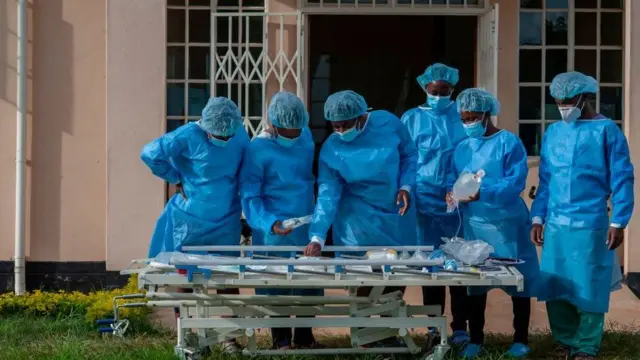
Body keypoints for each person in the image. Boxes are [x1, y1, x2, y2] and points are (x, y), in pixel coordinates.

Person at [530, 72, 634, 360]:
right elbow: (547, 180)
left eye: (567, 101)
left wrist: (618, 221)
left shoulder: (606, 131)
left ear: (585, 97)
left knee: (589, 282)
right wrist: (538, 218)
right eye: (558, 101)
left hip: (590, 221)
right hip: (555, 223)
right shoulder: (553, 132)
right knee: (555, 283)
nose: (563, 106)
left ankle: (586, 346)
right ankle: (564, 340)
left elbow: (622, 178)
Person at [302, 91, 417, 346]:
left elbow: (410, 154)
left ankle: (390, 332)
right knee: (364, 276)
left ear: (361, 115)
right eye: (335, 125)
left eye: (345, 124)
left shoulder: (388, 123)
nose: (341, 130)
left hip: (396, 210)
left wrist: (407, 185)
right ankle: (364, 335)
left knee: (395, 275)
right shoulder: (332, 148)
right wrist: (318, 235)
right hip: (357, 218)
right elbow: (328, 194)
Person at [141, 96, 249, 353]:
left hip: (226, 217)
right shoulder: (188, 134)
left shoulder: (239, 134)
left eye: (228, 136)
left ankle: (228, 337)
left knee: (227, 276)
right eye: (218, 135)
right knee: (185, 277)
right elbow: (149, 153)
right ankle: (188, 336)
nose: (224, 139)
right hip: (189, 220)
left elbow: (246, 170)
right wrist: (174, 177)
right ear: (206, 126)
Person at [446, 88, 539, 359]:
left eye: (473, 117)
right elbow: (456, 180)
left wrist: (483, 192)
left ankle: (520, 338)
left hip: (508, 223)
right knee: (476, 282)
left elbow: (515, 182)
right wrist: (453, 194)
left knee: (518, 283)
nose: (468, 124)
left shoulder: (508, 143)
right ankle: (476, 339)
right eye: (464, 118)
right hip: (476, 223)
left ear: (487, 114)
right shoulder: (462, 148)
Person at [240, 91, 322, 350]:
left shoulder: (306, 136)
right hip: (273, 227)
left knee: (309, 279)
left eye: (297, 131)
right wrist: (269, 222)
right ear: (272, 125)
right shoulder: (257, 150)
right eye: (287, 133)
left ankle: (305, 336)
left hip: (305, 220)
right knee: (275, 283)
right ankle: (281, 339)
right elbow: (250, 196)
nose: (294, 137)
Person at [400, 63, 469, 345]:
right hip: (423, 199)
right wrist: (405, 189)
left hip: (458, 202)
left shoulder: (463, 117)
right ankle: (433, 327)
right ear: (425, 88)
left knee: (461, 267)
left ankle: (461, 327)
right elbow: (405, 158)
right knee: (432, 267)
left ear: (453, 90)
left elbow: (471, 155)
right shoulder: (411, 119)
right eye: (434, 90)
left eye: (445, 91)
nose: (440, 95)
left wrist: (462, 187)